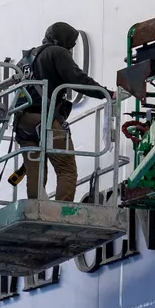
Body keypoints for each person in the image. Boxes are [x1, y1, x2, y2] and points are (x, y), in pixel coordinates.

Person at [17, 21, 107, 201]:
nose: (71, 48)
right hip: (46, 120)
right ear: (62, 39)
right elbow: (78, 80)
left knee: (35, 172)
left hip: (23, 123)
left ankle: (35, 208)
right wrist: (106, 93)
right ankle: (61, 210)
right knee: (66, 170)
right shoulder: (57, 52)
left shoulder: (24, 61)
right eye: (71, 43)